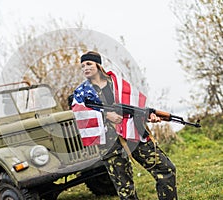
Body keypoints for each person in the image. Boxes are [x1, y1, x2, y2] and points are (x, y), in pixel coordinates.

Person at [71, 51, 177, 200]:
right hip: (110, 143)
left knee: (166, 169)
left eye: (89, 64)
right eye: (82, 66)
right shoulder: (81, 93)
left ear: (98, 65)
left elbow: (135, 108)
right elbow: (79, 112)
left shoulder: (118, 85)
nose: (85, 68)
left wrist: (150, 116)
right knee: (125, 190)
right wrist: (106, 115)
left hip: (133, 134)